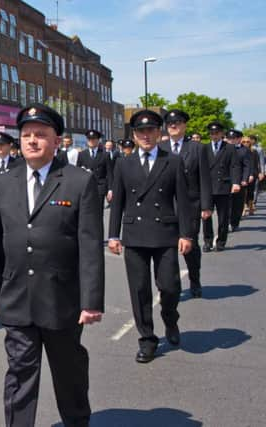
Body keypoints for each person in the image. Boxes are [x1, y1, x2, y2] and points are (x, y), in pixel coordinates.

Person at [0, 104, 104, 427]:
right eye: (26, 135)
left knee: (69, 375)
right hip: (17, 297)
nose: (32, 140)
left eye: (41, 134)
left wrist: (91, 301)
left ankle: (77, 421)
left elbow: (90, 245)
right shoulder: (3, 181)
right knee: (20, 374)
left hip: (62, 299)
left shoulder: (79, 182)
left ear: (56, 141)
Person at [108, 110, 193, 363]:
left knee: (170, 286)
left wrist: (186, 233)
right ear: (134, 136)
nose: (146, 136)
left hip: (165, 233)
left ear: (160, 133)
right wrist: (113, 235)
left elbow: (183, 201)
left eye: (151, 130)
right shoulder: (124, 163)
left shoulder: (173, 161)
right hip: (135, 234)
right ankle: (147, 339)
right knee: (139, 290)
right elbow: (118, 203)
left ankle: (170, 317)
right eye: (140, 132)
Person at [160, 109, 212, 298]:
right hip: (166, 205)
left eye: (178, 122)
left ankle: (195, 280)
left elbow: (205, 179)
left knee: (191, 246)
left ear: (185, 125)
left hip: (190, 204)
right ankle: (171, 286)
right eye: (170, 124)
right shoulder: (161, 148)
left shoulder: (198, 148)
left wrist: (206, 206)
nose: (174, 126)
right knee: (167, 248)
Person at [202, 122, 241, 252]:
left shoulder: (229, 148)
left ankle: (221, 241)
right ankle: (207, 241)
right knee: (206, 216)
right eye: (212, 133)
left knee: (223, 217)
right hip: (207, 187)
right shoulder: (204, 148)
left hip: (223, 186)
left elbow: (235, 166)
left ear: (221, 133)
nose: (214, 135)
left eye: (217, 133)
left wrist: (235, 182)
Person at [76, 130, 111, 216]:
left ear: (98, 140)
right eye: (89, 139)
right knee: (86, 213)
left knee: (98, 213)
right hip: (86, 187)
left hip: (99, 187)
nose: (91, 141)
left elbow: (110, 173)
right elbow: (77, 172)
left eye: (93, 139)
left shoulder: (105, 155)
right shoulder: (82, 154)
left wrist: (110, 190)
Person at [227, 129, 251, 232]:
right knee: (226, 203)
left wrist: (245, 179)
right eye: (230, 138)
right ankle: (226, 222)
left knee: (237, 203)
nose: (232, 140)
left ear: (239, 139)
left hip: (240, 180)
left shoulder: (244, 150)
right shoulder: (224, 149)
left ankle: (234, 222)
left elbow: (247, 166)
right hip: (226, 180)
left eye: (234, 138)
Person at [244, 135, 262, 215]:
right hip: (242, 174)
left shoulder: (254, 151)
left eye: (247, 142)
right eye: (244, 142)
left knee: (250, 191)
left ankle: (251, 206)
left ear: (250, 143)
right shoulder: (238, 150)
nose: (246, 143)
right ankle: (244, 207)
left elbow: (257, 163)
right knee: (243, 192)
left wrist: (259, 173)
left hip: (253, 174)